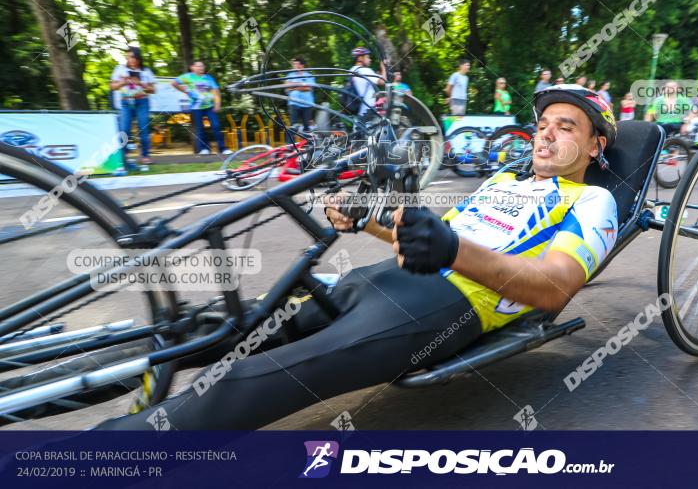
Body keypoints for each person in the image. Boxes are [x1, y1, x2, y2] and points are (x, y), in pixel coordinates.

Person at [96, 86, 619, 430]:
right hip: (379, 280)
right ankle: (31, 391)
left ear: (595, 146)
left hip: (440, 307)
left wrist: (450, 248)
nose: (546, 132)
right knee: (206, 329)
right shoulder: (503, 178)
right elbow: (422, 236)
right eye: (544, 122)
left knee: (256, 375)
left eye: (566, 125)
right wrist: (363, 215)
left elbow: (554, 288)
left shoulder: (594, 200)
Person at [172, 61, 230, 156]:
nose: (201, 68)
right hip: (196, 107)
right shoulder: (187, 77)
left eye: (202, 66)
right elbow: (174, 83)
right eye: (198, 66)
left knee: (216, 126)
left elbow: (216, 91)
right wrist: (186, 91)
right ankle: (204, 149)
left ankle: (222, 148)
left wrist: (217, 104)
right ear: (192, 67)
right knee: (200, 128)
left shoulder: (208, 78)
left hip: (209, 106)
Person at [110, 47, 155, 169]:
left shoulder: (146, 71)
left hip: (142, 102)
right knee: (124, 130)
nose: (131, 59)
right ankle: (124, 157)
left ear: (139, 58)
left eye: (133, 57)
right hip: (126, 103)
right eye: (129, 57)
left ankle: (145, 156)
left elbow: (153, 90)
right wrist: (123, 83)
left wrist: (140, 83)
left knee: (144, 129)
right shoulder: (120, 69)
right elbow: (113, 87)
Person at [349, 47, 387, 117]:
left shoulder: (351, 70)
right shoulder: (365, 70)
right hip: (369, 110)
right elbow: (382, 81)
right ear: (360, 58)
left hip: (359, 112)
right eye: (367, 57)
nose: (370, 60)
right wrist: (383, 67)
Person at [284, 57, 316, 133]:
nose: (294, 65)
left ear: (301, 65)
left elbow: (308, 87)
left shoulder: (309, 75)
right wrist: (300, 85)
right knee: (293, 126)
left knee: (307, 127)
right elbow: (287, 86)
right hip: (293, 103)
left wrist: (293, 87)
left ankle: (307, 144)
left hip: (307, 104)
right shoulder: (290, 75)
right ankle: (290, 144)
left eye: (295, 64)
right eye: (294, 64)